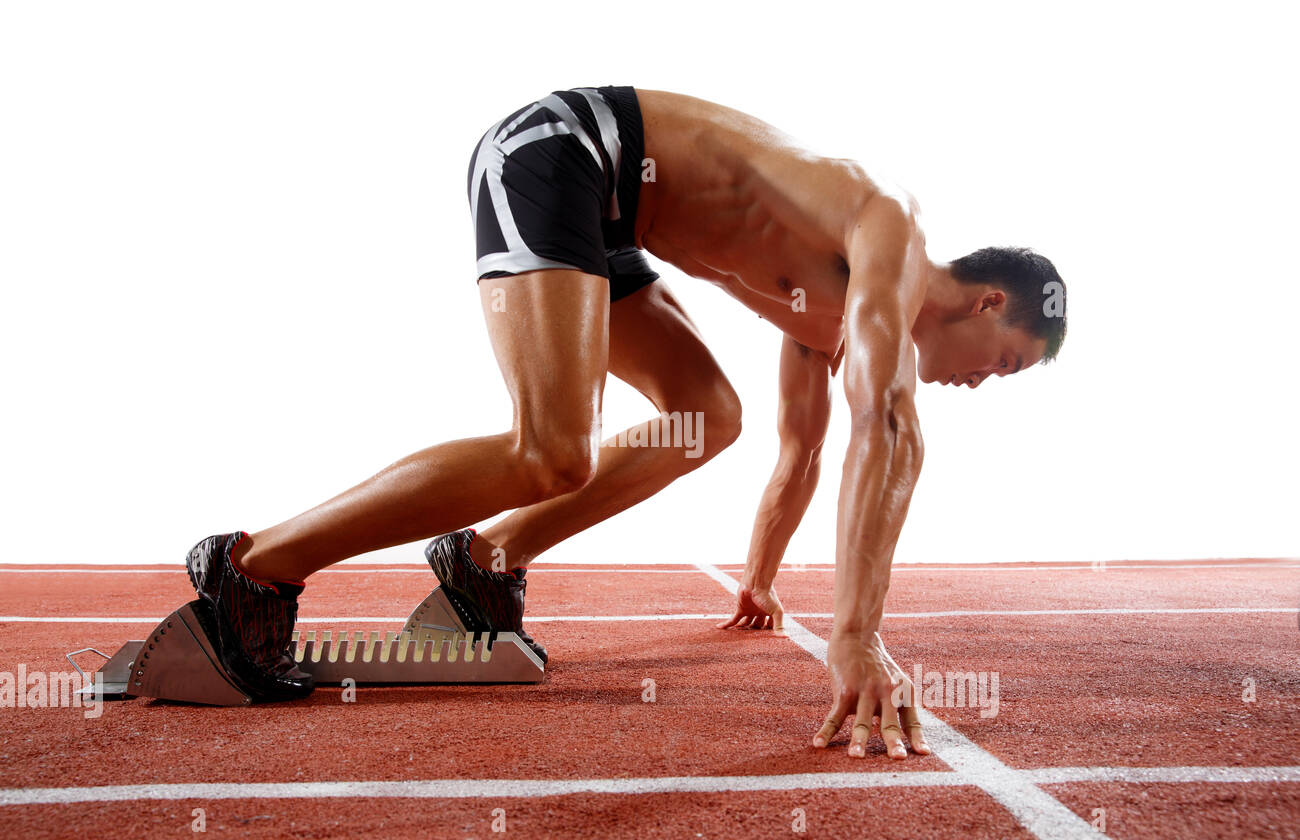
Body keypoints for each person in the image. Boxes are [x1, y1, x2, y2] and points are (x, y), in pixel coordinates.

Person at [185, 86, 1066, 760]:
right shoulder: (890, 231)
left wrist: (758, 582)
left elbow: (803, 452)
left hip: (608, 212)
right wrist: (855, 635)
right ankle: (253, 570)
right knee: (552, 449)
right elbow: (888, 422)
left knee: (709, 417)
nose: (988, 382)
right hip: (563, 152)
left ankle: (484, 560)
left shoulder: (830, 321)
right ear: (989, 301)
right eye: (1008, 360)